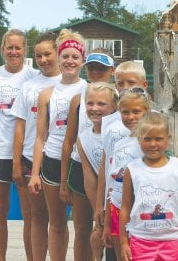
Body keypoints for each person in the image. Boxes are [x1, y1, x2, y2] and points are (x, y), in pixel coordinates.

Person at [28, 28, 87, 261]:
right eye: (65, 56)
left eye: (75, 57)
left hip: (81, 163)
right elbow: (40, 137)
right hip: (52, 161)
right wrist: (34, 174)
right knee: (57, 223)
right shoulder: (46, 94)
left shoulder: (89, 90)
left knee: (84, 227)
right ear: (59, 59)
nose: (70, 61)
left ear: (82, 60)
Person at [0, 29, 37, 261]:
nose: (14, 52)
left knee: (29, 214)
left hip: (24, 153)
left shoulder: (33, 76)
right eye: (9, 47)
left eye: (18, 48)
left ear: (25, 50)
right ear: (2, 49)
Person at [60, 48, 116, 261]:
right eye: (91, 67)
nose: (95, 71)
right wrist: (64, 181)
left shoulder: (119, 100)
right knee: (83, 230)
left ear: (111, 70)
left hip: (112, 171)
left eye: (101, 68)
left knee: (109, 229)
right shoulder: (78, 99)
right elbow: (69, 141)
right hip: (82, 166)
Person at [11, 32, 61, 261]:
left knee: (58, 220)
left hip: (59, 159)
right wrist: (16, 162)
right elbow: (20, 126)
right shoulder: (28, 86)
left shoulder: (72, 84)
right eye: (38, 55)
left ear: (58, 53)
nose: (43, 60)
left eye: (48, 54)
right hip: (31, 158)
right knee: (35, 217)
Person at [95, 61, 148, 244]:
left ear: (143, 84)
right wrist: (100, 204)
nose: (125, 88)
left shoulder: (154, 124)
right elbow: (107, 168)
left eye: (131, 83)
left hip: (143, 205)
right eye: (120, 83)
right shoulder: (110, 123)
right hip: (116, 204)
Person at [120, 111, 178, 261]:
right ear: (139, 139)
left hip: (173, 240)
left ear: (168, 139)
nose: (153, 144)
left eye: (158, 139)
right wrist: (124, 243)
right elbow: (125, 208)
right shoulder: (132, 169)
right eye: (147, 139)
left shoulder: (176, 167)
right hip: (141, 240)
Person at [102, 88, 151, 261]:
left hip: (139, 212)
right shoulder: (119, 144)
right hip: (116, 210)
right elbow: (111, 183)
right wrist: (107, 221)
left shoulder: (151, 146)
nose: (131, 117)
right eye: (125, 112)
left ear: (147, 111)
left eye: (136, 111)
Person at [77, 82, 119, 261]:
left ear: (114, 106)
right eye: (90, 103)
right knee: (98, 238)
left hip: (123, 199)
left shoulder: (121, 131)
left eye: (101, 104)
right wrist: (98, 210)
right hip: (104, 199)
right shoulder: (83, 139)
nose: (94, 108)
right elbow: (90, 178)